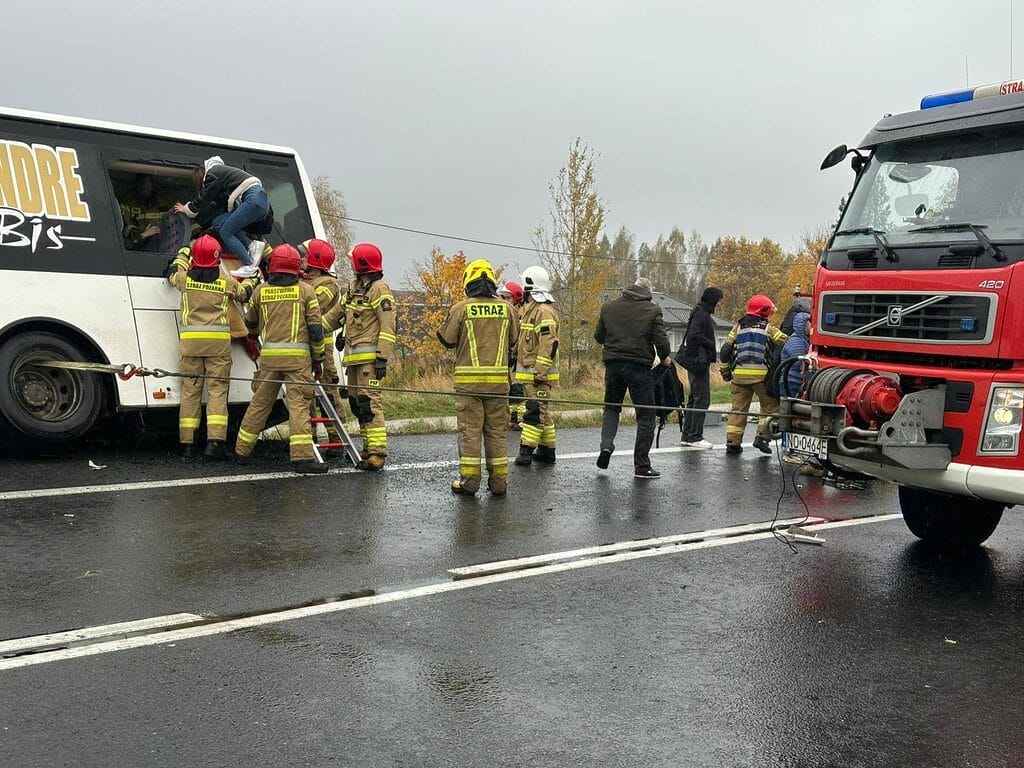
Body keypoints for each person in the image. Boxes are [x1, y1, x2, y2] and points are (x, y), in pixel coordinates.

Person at [233, 244, 326, 474]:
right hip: (298, 362)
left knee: (259, 405)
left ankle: (241, 451)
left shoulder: (260, 292)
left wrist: (254, 334)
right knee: (299, 407)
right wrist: (318, 358)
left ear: (272, 267)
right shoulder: (306, 291)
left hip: (270, 361)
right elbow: (315, 330)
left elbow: (251, 324)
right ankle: (302, 459)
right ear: (296, 268)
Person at [165, 234, 258, 459]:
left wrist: (184, 252)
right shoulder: (224, 282)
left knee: (190, 393)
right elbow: (245, 294)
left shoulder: (184, 280)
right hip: (218, 348)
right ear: (216, 260)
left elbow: (172, 271)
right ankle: (214, 444)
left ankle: (187, 445)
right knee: (217, 392)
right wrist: (252, 278)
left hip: (191, 347)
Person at [438, 259, 520, 495]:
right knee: (496, 433)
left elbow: (446, 339)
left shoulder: (461, 308)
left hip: (469, 385)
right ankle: (499, 483)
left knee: (470, 433)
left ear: (469, 282)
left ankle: (470, 482)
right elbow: (515, 339)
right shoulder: (508, 309)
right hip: (499, 386)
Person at [322, 242, 397, 471]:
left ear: (361, 263)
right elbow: (335, 316)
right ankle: (367, 447)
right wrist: (313, 328)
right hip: (353, 361)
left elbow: (388, 325)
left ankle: (377, 453)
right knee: (357, 404)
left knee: (370, 403)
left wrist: (382, 358)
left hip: (370, 362)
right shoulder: (354, 288)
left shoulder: (379, 289)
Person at [594, 277, 672, 479]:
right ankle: (641, 466)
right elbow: (662, 342)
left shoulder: (609, 307)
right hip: (639, 368)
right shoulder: (652, 310)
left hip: (613, 365)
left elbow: (599, 337)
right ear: (648, 292)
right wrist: (664, 358)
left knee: (611, 408)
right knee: (646, 416)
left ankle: (606, 446)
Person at [174, 156, 270, 279]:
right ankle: (251, 245)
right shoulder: (223, 175)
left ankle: (250, 265)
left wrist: (187, 209)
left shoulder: (212, 174)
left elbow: (204, 197)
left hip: (253, 200)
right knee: (218, 222)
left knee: (226, 232)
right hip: (258, 201)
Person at [720, 295, 788, 455]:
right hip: (761, 378)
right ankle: (762, 438)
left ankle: (732, 443)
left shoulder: (738, 327)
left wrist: (725, 371)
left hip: (738, 377)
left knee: (738, 410)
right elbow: (786, 342)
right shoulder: (768, 328)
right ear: (764, 311)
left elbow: (725, 350)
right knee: (770, 408)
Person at [299, 238, 347, 454]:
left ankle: (336, 438)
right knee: (305, 393)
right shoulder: (307, 281)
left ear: (314, 261)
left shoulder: (327, 284)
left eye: (303, 256)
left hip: (322, 350)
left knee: (328, 392)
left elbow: (313, 309)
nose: (300, 259)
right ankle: (308, 436)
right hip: (303, 346)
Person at [513, 266, 560, 467]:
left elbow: (549, 342)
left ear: (529, 285)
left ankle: (526, 451)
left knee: (533, 412)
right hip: (530, 374)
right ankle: (547, 451)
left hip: (539, 376)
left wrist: (539, 372)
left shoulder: (543, 311)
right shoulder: (531, 310)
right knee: (543, 412)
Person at [677, 286, 724, 449]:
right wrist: (710, 343)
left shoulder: (699, 311)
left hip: (695, 360)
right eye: (718, 300)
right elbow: (694, 335)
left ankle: (687, 435)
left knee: (693, 399)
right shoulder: (702, 313)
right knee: (702, 400)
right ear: (712, 300)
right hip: (698, 361)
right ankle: (695, 436)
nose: (719, 304)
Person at [121, 173, 191, 253]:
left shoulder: (166, 201)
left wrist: (199, 233)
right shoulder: (128, 202)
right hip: (139, 247)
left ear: (152, 186)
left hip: (165, 247)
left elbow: (183, 219)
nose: (144, 191)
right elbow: (126, 228)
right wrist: (143, 234)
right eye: (142, 187)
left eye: (147, 188)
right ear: (137, 186)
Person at [497, 280, 526, 430]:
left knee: (518, 389)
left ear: (516, 299)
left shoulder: (521, 316)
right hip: (508, 358)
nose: (503, 301)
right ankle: (512, 419)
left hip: (519, 359)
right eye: (501, 297)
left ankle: (520, 420)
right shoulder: (505, 314)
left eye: (506, 297)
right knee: (510, 389)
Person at [778, 311, 811, 397]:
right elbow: (798, 362)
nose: (812, 326)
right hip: (791, 382)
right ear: (802, 325)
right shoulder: (795, 341)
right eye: (810, 322)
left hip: (797, 381)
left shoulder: (804, 340)